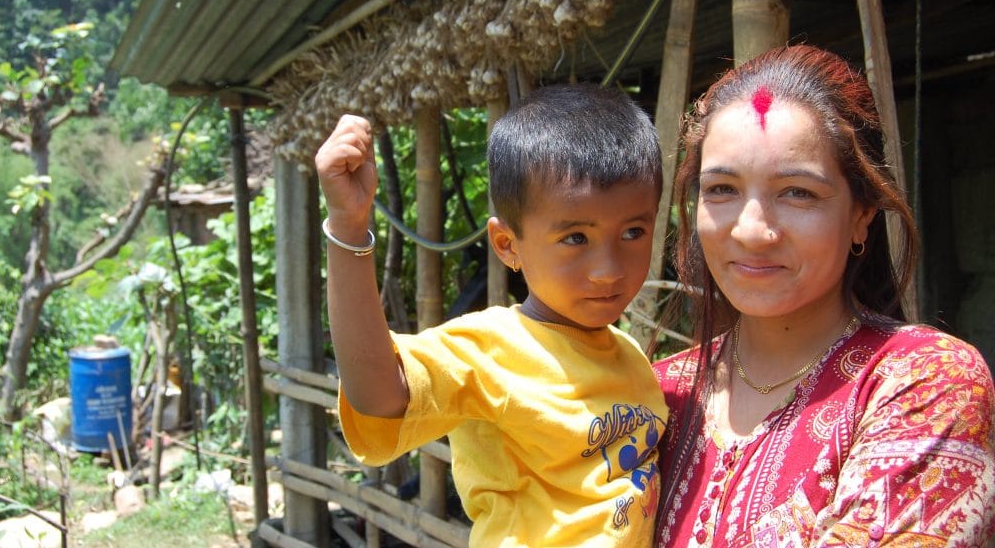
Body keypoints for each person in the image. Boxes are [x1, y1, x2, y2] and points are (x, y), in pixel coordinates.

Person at [650, 44, 995, 547]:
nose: (751, 231)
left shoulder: (925, 382)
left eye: (798, 193)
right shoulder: (652, 395)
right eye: (721, 188)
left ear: (861, 214)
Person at [315, 83, 668, 547]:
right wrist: (348, 228)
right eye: (576, 238)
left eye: (633, 231)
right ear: (507, 245)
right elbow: (378, 396)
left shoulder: (628, 355)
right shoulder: (489, 347)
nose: (608, 270)